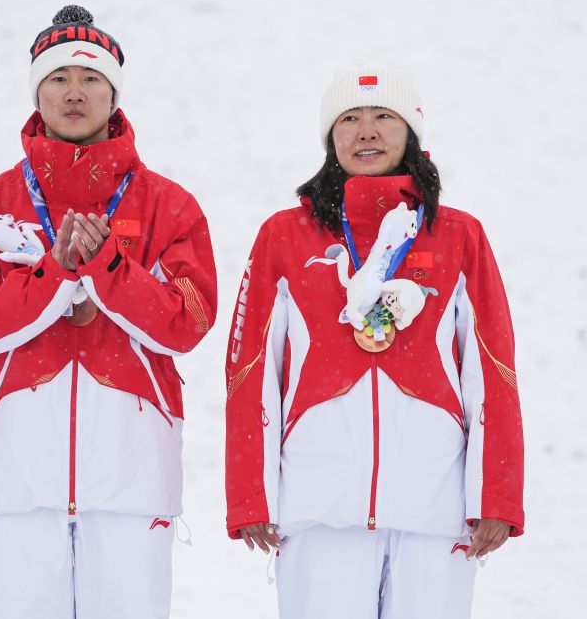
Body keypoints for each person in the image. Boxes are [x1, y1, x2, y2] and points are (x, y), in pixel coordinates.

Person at [0, 5, 217, 619]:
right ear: (36, 92)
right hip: (19, 473)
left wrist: (109, 268)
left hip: (133, 471)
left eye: (91, 78)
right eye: (58, 77)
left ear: (114, 95)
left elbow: (189, 321)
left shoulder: (170, 205)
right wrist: (55, 275)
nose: (74, 92)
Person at [224, 65, 524, 618]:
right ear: (329, 137)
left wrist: (496, 496)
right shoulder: (285, 236)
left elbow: (492, 370)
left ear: (410, 132)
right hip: (319, 508)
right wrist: (251, 495)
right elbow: (251, 370)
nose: (367, 131)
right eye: (349, 119)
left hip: (436, 509)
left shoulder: (459, 235)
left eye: (384, 116)